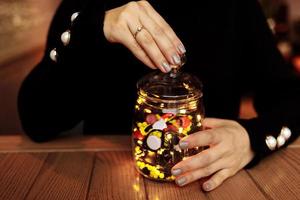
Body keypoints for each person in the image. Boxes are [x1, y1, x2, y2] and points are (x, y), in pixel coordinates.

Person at [18, 0, 299, 191]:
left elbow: (291, 97)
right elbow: (36, 118)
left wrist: (250, 138)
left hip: (213, 185)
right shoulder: (91, 5)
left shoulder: (235, 6)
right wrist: (94, 29)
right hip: (106, 183)